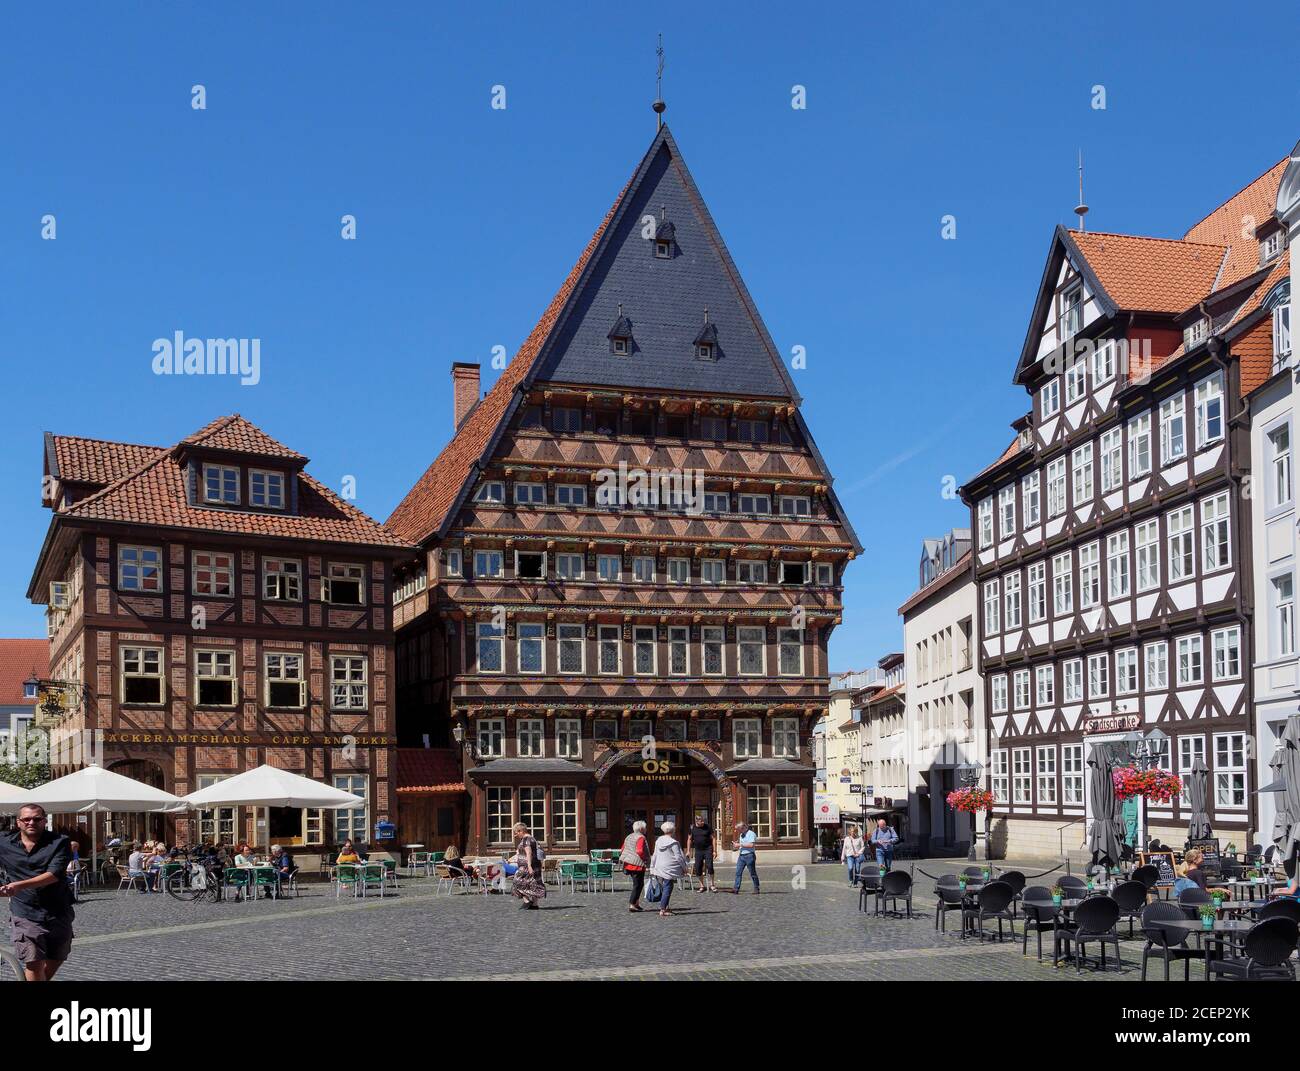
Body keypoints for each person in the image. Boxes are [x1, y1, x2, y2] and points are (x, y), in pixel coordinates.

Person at [0, 804, 76, 981]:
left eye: (36, 818)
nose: (31, 822)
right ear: (18, 822)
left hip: (59, 910)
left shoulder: (59, 842)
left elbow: (54, 875)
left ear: (44, 821)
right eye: (26, 819)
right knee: (33, 962)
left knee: (57, 957)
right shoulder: (4, 843)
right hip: (25, 912)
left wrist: (18, 885)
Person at [648, 822, 687, 917]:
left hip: (659, 867)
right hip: (670, 867)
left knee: (664, 887)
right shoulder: (673, 843)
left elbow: (655, 855)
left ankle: (665, 906)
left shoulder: (658, 841)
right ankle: (663, 909)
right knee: (668, 887)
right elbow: (678, 857)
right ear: (673, 830)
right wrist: (684, 868)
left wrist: (652, 867)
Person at [510, 823, 546, 909]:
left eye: (516, 833)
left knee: (517, 882)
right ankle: (535, 904)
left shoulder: (526, 840)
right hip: (536, 864)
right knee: (534, 883)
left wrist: (529, 866)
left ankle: (527, 901)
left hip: (526, 866)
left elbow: (528, 852)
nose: (516, 835)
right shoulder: (533, 839)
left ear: (521, 831)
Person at [620, 820, 651, 911]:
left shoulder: (629, 836)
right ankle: (632, 904)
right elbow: (640, 851)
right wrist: (645, 859)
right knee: (638, 885)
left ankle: (636, 903)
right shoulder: (641, 837)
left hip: (628, 863)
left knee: (637, 884)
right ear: (641, 828)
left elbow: (622, 849)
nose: (646, 829)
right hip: (637, 864)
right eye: (645, 827)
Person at [686, 816, 717, 893]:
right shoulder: (692, 828)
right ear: (697, 821)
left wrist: (715, 851)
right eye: (701, 821)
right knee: (698, 867)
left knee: (710, 866)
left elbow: (713, 838)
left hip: (708, 849)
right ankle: (701, 885)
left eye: (703, 821)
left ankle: (712, 885)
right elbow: (689, 839)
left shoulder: (708, 827)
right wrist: (688, 851)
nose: (703, 822)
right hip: (698, 850)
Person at [731, 821, 759, 894]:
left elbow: (751, 845)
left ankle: (756, 888)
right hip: (742, 856)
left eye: (738, 829)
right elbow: (741, 845)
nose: (738, 831)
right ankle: (736, 888)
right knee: (738, 872)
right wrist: (736, 846)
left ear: (743, 828)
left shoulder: (751, 834)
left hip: (749, 855)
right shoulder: (741, 834)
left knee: (752, 873)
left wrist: (740, 844)